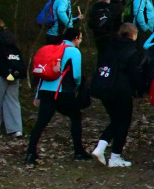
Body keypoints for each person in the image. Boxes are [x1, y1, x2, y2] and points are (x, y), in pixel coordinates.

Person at [26, 26, 87, 165]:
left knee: (41, 123)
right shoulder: (74, 51)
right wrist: (77, 87)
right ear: (76, 37)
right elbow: (77, 75)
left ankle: (30, 153)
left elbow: (42, 74)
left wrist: (37, 95)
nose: (81, 41)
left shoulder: (53, 48)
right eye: (81, 38)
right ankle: (78, 151)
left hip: (46, 91)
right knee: (76, 117)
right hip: (62, 92)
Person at [90, 23, 144, 168]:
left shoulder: (109, 46)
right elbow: (134, 73)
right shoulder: (132, 50)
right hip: (121, 89)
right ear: (133, 34)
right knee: (123, 121)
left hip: (104, 87)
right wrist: (140, 89)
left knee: (115, 120)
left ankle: (101, 147)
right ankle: (115, 156)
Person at [0, 20, 25, 138]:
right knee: (13, 100)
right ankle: (16, 129)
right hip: (14, 72)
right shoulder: (9, 37)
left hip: (2, 73)